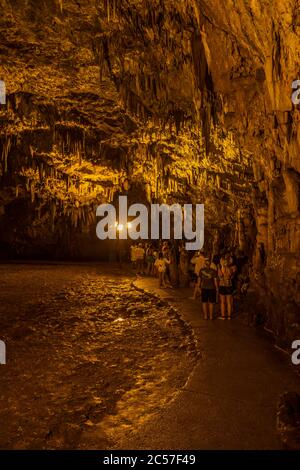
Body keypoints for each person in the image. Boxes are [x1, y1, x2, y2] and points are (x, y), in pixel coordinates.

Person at [218, 254, 237, 320]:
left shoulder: (221, 268)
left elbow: (220, 276)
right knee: (229, 301)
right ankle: (229, 316)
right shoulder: (231, 269)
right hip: (229, 286)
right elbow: (231, 276)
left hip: (222, 286)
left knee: (223, 302)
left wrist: (220, 268)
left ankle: (223, 316)